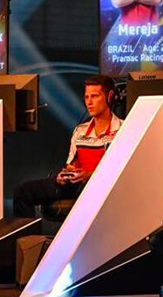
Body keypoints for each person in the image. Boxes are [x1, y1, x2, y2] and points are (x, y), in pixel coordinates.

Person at [12, 75, 123, 218]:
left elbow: (120, 170)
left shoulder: (123, 129)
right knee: (23, 192)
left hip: (103, 185)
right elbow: (71, 166)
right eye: (86, 97)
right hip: (78, 183)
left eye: (94, 96)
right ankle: (29, 233)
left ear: (110, 97)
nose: (89, 102)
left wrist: (88, 175)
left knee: (86, 190)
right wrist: (65, 175)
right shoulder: (80, 130)